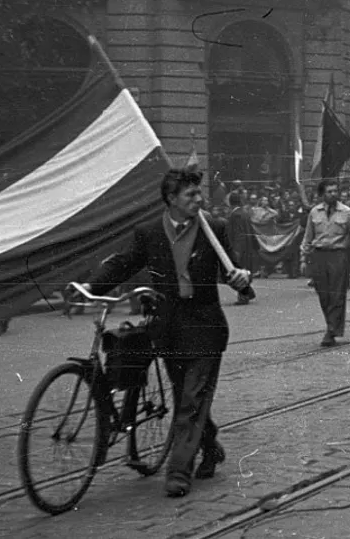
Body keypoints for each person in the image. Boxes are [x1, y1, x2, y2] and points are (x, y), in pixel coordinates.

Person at [71, 168, 253, 498]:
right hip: (168, 327)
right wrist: (92, 285)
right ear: (171, 199)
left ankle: (178, 472)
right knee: (188, 395)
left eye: (199, 194)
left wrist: (241, 277)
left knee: (190, 400)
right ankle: (209, 447)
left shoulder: (214, 228)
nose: (199, 199)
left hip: (205, 327)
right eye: (190, 195)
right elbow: (124, 264)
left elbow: (233, 269)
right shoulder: (150, 232)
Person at [300, 179, 350, 348]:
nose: (333, 194)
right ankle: (332, 325)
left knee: (337, 294)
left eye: (335, 191)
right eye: (329, 191)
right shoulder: (314, 213)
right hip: (319, 256)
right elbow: (308, 238)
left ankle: (331, 330)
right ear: (322, 194)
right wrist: (303, 258)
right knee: (323, 295)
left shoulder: (347, 212)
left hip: (339, 256)